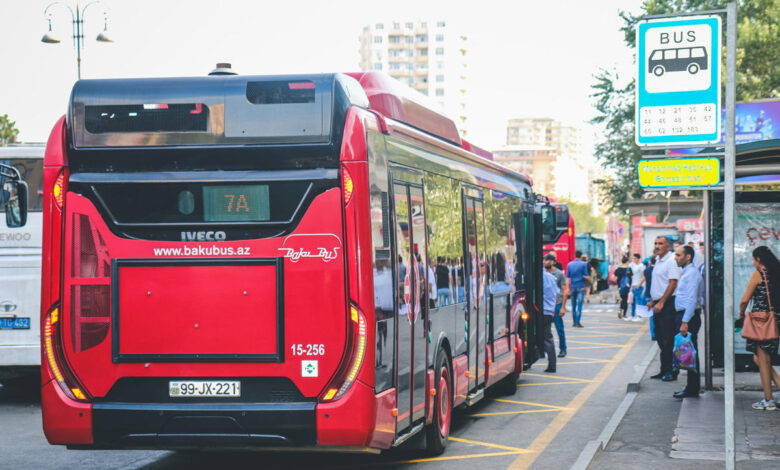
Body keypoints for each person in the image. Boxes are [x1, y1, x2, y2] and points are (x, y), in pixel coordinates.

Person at [737, 246, 780, 411]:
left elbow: (744, 299)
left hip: (762, 322)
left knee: (762, 360)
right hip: (775, 320)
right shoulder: (776, 273)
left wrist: (741, 313)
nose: (753, 263)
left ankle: (768, 400)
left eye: (753, 260)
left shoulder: (759, 274)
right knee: (760, 359)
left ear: (758, 260)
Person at [647, 236, 680, 382]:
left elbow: (673, 283)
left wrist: (662, 302)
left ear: (668, 246)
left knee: (668, 339)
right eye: (655, 243)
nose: (657, 246)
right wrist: (653, 301)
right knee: (660, 338)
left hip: (668, 304)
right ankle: (663, 369)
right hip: (658, 303)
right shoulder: (658, 261)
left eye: (660, 244)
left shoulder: (671, 261)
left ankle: (671, 371)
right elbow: (659, 284)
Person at [673, 244, 703, 399]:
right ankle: (691, 386)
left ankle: (692, 388)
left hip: (688, 317)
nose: (676, 258)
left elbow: (691, 299)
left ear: (688, 256)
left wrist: (685, 322)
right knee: (687, 352)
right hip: (685, 316)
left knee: (690, 353)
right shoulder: (687, 272)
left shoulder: (691, 274)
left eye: (678, 255)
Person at [545, 253, 569, 358]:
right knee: (545, 329)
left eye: (549, 260)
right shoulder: (542, 273)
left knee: (559, 328)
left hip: (557, 305)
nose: (547, 262)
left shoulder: (559, 274)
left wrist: (563, 307)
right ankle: (545, 350)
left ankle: (563, 349)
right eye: (545, 260)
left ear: (554, 262)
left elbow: (564, 291)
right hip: (546, 306)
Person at [542, 266, 560, 372]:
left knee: (544, 336)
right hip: (549, 311)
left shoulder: (538, 277)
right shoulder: (551, 277)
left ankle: (551, 365)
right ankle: (552, 364)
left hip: (541, 312)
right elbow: (557, 295)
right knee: (548, 337)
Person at [567, 250, 590, 327]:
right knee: (579, 306)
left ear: (575, 255)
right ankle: (577, 322)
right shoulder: (584, 264)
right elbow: (586, 276)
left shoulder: (569, 264)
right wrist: (582, 276)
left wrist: (567, 288)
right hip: (581, 286)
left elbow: (568, 277)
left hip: (573, 286)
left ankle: (574, 322)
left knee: (573, 306)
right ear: (581, 256)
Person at [628, 253, 645, 322]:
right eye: (632, 258)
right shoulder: (634, 266)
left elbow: (643, 277)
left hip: (638, 286)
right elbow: (633, 277)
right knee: (633, 301)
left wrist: (639, 285)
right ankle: (632, 315)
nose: (633, 260)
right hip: (634, 285)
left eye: (634, 258)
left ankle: (640, 316)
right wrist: (632, 286)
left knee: (639, 301)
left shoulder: (641, 266)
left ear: (638, 259)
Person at [644, 256, 657, 340]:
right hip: (657, 295)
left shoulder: (647, 270)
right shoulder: (657, 270)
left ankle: (653, 334)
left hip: (649, 294)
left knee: (651, 316)